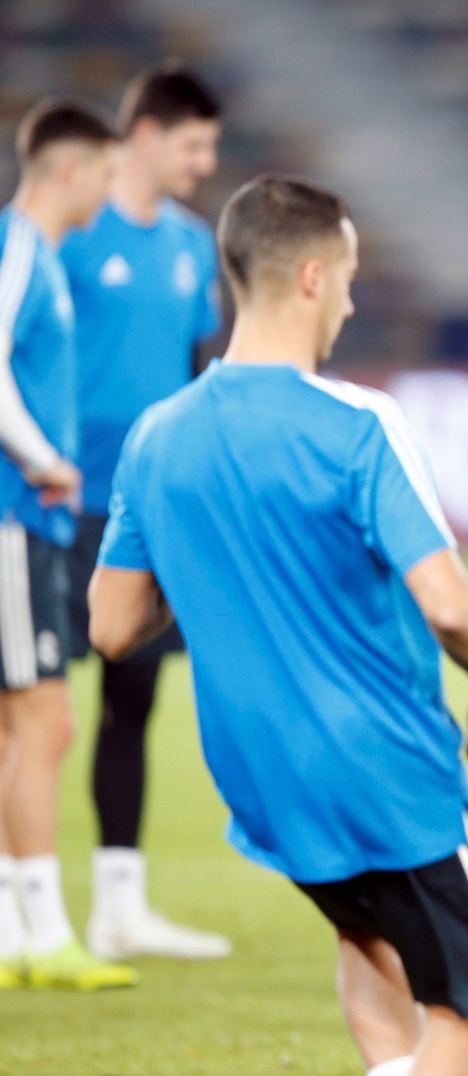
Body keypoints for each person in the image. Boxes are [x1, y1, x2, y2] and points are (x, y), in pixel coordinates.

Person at [88, 173, 468, 1076]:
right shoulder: (358, 421)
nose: (355, 301)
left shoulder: (158, 433)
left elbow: (111, 624)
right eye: (353, 279)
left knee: (367, 938)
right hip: (386, 765)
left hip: (259, 774)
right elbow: (448, 600)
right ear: (315, 275)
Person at [60, 61, 229, 962]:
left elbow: (198, 374)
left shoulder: (194, 245)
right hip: (54, 503)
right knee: (31, 710)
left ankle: (118, 905)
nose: (205, 164)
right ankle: (22, 899)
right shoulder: (67, 235)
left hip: (140, 508)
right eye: (195, 145)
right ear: (149, 133)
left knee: (131, 704)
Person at [0, 98, 123, 993]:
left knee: (20, 722)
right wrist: (43, 458)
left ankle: (17, 927)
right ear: (72, 168)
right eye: (105, 173)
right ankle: (41, 930)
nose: (109, 192)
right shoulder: (18, 246)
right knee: (47, 718)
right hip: (16, 515)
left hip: (25, 518)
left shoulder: (38, 254)